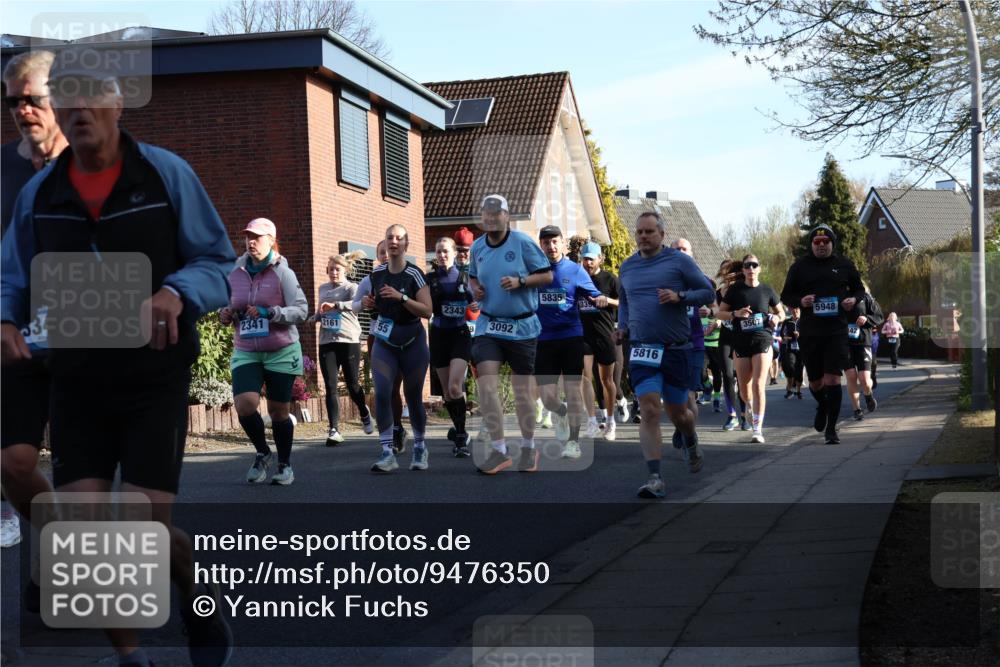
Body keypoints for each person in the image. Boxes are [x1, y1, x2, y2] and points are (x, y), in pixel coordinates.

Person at [1, 52, 236, 667]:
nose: (78, 112)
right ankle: (132, 660)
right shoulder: (39, 195)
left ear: (116, 105)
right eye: (68, 101)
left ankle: (198, 595)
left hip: (151, 378)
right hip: (78, 381)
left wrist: (175, 291)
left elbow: (218, 264)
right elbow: (12, 275)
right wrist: (5, 317)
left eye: (90, 99)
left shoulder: (165, 175)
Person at [0, 50, 66, 559]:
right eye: (12, 102)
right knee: (14, 463)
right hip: (18, 331)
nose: (21, 111)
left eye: (33, 99)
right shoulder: (4, 168)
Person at [617, 212, 714, 498]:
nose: (644, 236)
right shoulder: (628, 266)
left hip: (676, 349)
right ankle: (655, 478)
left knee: (679, 413)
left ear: (661, 234)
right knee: (648, 408)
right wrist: (623, 327)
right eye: (639, 232)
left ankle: (690, 437)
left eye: (649, 232)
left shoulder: (679, 261)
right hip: (642, 349)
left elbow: (706, 293)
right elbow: (625, 301)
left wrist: (679, 297)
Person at [468, 194, 552, 474]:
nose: (491, 218)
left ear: (507, 216)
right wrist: (475, 288)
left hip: (522, 325)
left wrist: (522, 281)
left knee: (523, 393)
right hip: (489, 325)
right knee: (487, 384)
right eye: (486, 214)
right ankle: (499, 450)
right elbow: (472, 276)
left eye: (497, 213)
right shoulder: (477, 246)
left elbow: (547, 275)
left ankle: (528, 447)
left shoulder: (523, 243)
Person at [221, 218, 308, 486]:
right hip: (247, 349)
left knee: (278, 411)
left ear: (271, 239)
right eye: (248, 237)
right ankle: (262, 452)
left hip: (281, 349)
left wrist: (270, 312)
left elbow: (301, 310)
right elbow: (227, 303)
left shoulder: (284, 273)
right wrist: (225, 313)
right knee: (245, 404)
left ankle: (285, 465)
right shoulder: (235, 271)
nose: (251, 242)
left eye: (257, 237)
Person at [781, 225, 865, 445]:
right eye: (816, 242)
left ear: (832, 243)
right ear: (811, 244)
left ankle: (831, 429)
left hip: (836, 330)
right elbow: (786, 295)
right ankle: (823, 405)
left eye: (825, 242)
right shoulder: (800, 267)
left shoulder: (844, 264)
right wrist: (801, 301)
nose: (821, 246)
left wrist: (853, 300)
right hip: (810, 331)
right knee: (816, 383)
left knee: (833, 379)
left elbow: (859, 289)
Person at [363, 224, 433, 472]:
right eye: (389, 237)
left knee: (413, 398)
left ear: (406, 244)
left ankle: (420, 447)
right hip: (385, 342)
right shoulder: (376, 274)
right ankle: (386, 452)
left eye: (399, 238)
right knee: (382, 392)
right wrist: (368, 302)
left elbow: (427, 311)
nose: (393, 241)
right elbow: (367, 304)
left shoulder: (414, 274)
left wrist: (401, 297)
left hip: (412, 342)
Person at [535, 227, 608, 460]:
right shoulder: (535, 270)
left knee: (572, 389)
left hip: (571, 337)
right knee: (547, 397)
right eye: (546, 243)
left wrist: (600, 299)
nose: (551, 247)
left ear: (563, 243)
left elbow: (593, 294)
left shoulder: (575, 271)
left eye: (555, 242)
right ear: (541, 245)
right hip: (544, 338)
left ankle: (574, 441)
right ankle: (561, 411)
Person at [719, 254, 784, 443]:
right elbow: (720, 313)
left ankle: (757, 429)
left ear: (759, 268)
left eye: (754, 265)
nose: (751, 269)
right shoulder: (735, 290)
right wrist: (735, 313)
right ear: (743, 270)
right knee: (744, 390)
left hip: (762, 339)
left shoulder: (767, 290)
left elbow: (781, 312)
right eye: (747, 265)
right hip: (740, 342)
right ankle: (748, 406)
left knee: (758, 384)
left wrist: (776, 318)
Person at [312, 252, 373, 445]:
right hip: (327, 341)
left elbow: (356, 306)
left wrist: (336, 305)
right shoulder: (322, 288)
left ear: (345, 270)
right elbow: (322, 311)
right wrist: (314, 318)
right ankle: (333, 429)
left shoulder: (351, 287)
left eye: (337, 269)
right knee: (330, 386)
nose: (333, 273)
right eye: (330, 270)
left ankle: (364, 412)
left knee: (352, 385)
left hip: (348, 340)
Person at [354, 240, 407, 454]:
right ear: (377, 256)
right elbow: (355, 305)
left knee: (394, 387)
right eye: (381, 253)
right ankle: (390, 433)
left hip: (402, 338)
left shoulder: (407, 275)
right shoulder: (370, 279)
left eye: (389, 252)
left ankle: (397, 428)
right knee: (383, 388)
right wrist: (364, 303)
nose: (386, 256)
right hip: (378, 336)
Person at [426, 237, 474, 457]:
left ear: (454, 253)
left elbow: (479, 300)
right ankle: (459, 430)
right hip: (438, 335)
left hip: (460, 334)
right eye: (438, 252)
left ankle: (462, 436)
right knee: (447, 392)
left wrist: (476, 303)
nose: (442, 255)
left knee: (455, 387)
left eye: (445, 251)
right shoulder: (430, 279)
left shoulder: (464, 277)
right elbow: (423, 305)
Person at [670, 238, 717, 451]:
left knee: (689, 394)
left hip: (694, 344)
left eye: (684, 249)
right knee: (673, 396)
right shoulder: (665, 280)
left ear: (691, 252)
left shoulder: (702, 280)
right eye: (676, 249)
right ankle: (682, 424)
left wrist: (710, 313)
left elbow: (715, 308)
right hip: (670, 344)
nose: (680, 251)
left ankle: (688, 432)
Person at [578, 241, 621, 440]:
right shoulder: (577, 279)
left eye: (590, 259)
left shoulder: (610, 279)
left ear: (600, 260)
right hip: (583, 335)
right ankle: (592, 422)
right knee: (585, 379)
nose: (587, 263)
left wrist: (607, 300)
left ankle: (611, 422)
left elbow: (624, 302)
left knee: (606, 380)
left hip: (605, 335)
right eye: (584, 259)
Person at [714, 259, 743, 430]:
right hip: (725, 336)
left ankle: (745, 413)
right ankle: (732, 415)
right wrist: (716, 320)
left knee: (742, 377)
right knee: (727, 374)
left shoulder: (742, 290)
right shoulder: (719, 292)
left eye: (730, 271)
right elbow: (718, 313)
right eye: (724, 271)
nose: (727, 274)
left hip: (741, 336)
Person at [845, 288, 882, 419]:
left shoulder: (866, 298)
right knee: (851, 375)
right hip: (844, 343)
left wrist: (866, 319)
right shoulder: (839, 296)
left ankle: (868, 395)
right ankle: (857, 409)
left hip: (862, 342)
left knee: (865, 380)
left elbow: (879, 317)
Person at [780, 307, 805, 399]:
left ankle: (798, 391)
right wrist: (788, 337)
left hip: (802, 349)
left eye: (797, 310)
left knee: (799, 369)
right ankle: (790, 389)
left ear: (800, 311)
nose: (795, 312)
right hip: (790, 348)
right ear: (791, 311)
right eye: (793, 310)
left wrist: (800, 335)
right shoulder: (787, 322)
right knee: (791, 366)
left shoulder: (803, 321)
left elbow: (809, 333)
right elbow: (782, 334)